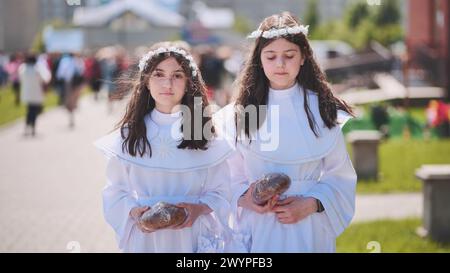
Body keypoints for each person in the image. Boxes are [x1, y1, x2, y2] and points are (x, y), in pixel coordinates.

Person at [215, 12, 357, 252]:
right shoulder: (239, 115)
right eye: (271, 56)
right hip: (257, 226)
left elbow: (339, 175)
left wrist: (311, 204)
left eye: (289, 55)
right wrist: (247, 198)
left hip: (308, 228)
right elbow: (227, 175)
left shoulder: (323, 111)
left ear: (303, 57)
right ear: (259, 59)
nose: (280, 64)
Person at [95, 41, 233, 253]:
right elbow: (115, 191)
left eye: (177, 75)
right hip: (146, 239)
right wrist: (134, 212)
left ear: (188, 83)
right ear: (146, 82)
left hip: (191, 235)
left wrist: (198, 209)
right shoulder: (130, 135)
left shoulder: (205, 136)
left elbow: (222, 191)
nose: (167, 84)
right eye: (158, 75)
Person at [18, 54, 51, 137]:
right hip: (36, 92)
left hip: (27, 92)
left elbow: (20, 78)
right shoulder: (37, 69)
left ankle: (27, 126)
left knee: (29, 110)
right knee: (34, 111)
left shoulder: (23, 68)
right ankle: (33, 128)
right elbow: (45, 79)